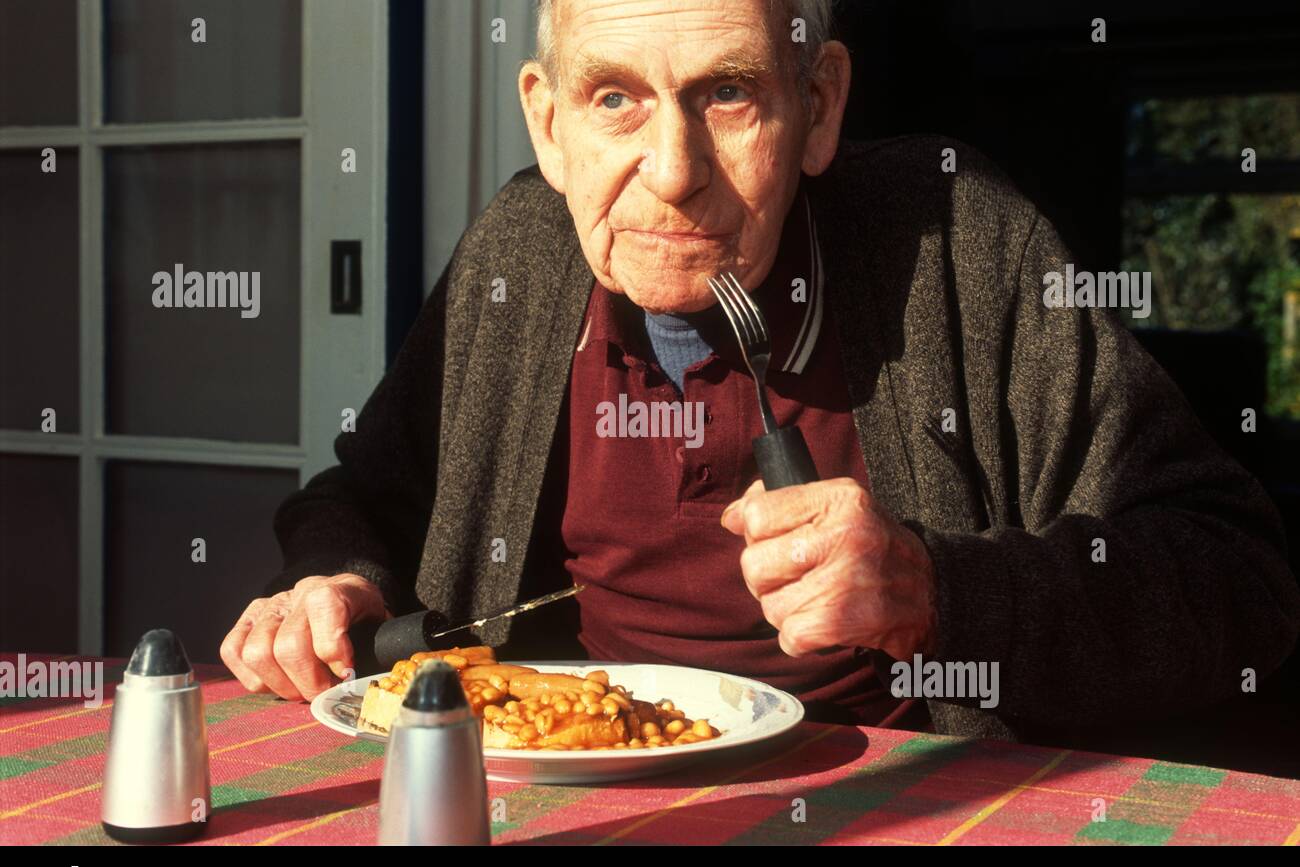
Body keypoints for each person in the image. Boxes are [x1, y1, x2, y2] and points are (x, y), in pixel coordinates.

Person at [221, 0, 1299, 745]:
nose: (675, 173)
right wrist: (339, 579)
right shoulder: (518, 253)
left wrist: (939, 593)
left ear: (819, 106)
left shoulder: (955, 239)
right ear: (547, 125)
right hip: (558, 797)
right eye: (613, 101)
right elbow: (362, 496)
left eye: (727, 93)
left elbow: (1235, 582)